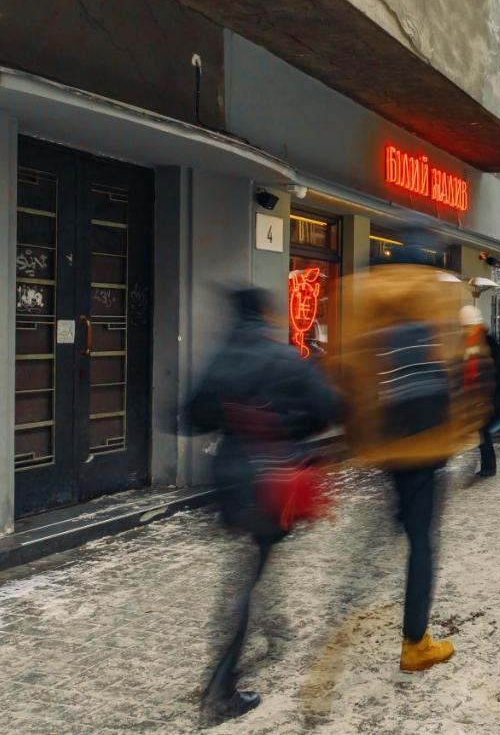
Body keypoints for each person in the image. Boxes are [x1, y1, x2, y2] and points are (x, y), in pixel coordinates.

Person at [186, 287, 344, 723]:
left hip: (232, 478)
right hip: (271, 479)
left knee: (252, 565)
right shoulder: (282, 357)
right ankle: (220, 691)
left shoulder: (222, 356)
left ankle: (267, 629)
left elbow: (190, 417)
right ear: (266, 314)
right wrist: (291, 426)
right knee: (248, 577)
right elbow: (328, 408)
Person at [477, 317, 500, 478]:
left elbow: (496, 373)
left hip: (492, 397)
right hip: (489, 396)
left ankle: (489, 467)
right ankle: (488, 466)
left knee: (483, 431)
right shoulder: (481, 343)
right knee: (482, 432)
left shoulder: (487, 345)